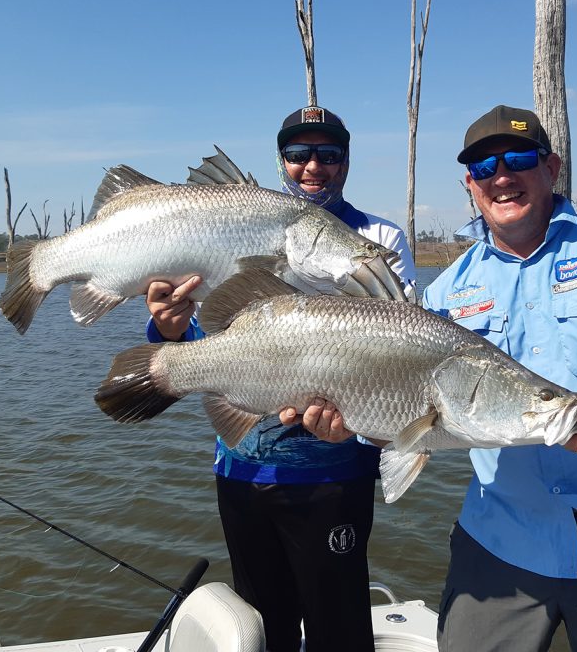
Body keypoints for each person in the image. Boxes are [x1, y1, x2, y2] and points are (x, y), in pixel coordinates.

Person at [291, 105, 577, 652]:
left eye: (519, 159)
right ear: (470, 184)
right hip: (502, 535)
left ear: (552, 167)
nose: (501, 176)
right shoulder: (444, 294)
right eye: (483, 168)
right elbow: (408, 418)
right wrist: (355, 424)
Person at [144, 105, 416, 652]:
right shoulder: (229, 227)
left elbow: (405, 352)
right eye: (298, 154)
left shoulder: (378, 239)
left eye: (328, 153)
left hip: (334, 473)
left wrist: (365, 427)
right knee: (265, 625)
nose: (313, 165)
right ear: (280, 161)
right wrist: (166, 330)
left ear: (345, 161)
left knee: (339, 628)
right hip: (241, 466)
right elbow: (205, 341)